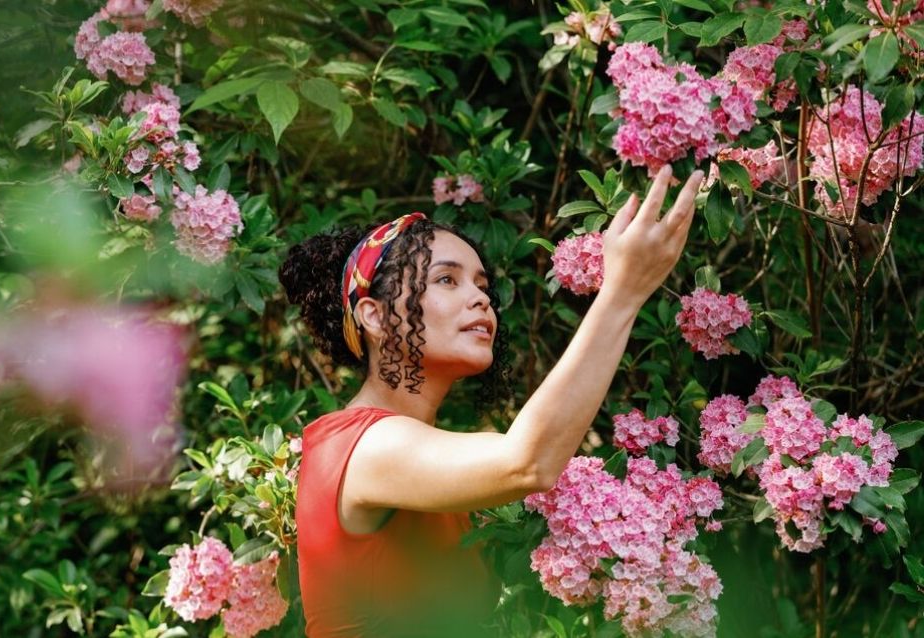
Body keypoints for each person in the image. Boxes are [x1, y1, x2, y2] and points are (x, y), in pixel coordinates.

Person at [279, 165, 704, 637]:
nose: (480, 300)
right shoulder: (360, 447)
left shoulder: (425, 461)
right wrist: (624, 291)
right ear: (374, 317)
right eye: (446, 280)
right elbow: (528, 462)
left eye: (482, 285)